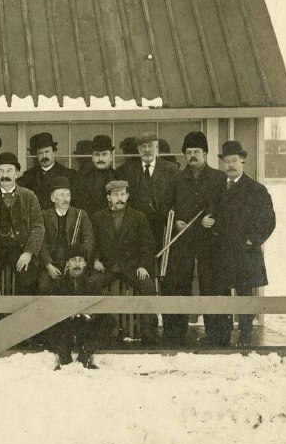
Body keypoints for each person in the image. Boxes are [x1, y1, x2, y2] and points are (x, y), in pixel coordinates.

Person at [209, 140, 276, 348]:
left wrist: (252, 240)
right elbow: (210, 213)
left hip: (244, 253)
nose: (230, 165)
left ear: (243, 162)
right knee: (223, 293)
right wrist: (207, 222)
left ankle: (246, 336)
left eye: (234, 161)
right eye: (227, 161)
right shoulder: (218, 189)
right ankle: (223, 335)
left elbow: (268, 221)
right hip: (222, 252)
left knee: (245, 294)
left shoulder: (256, 189)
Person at [163, 132, 226, 347]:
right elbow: (166, 207)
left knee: (211, 284)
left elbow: (225, 209)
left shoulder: (219, 178)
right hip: (184, 241)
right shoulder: (176, 178)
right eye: (188, 153)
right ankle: (177, 334)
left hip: (210, 242)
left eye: (197, 152)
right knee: (181, 283)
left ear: (206, 154)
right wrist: (176, 222)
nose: (192, 156)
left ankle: (215, 333)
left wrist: (213, 220)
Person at [90, 180, 159, 345]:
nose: (119, 198)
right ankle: (99, 330)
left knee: (148, 287)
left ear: (127, 196)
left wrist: (143, 265)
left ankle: (147, 331)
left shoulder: (138, 217)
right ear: (108, 197)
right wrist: (95, 259)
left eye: (122, 194)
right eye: (115, 195)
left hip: (132, 267)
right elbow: (92, 242)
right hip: (107, 267)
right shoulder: (98, 217)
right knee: (90, 283)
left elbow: (147, 244)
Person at [0, 152, 45, 302]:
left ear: (17, 173)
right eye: (1, 171)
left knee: (27, 281)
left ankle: (21, 323)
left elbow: (38, 227)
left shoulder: (29, 196)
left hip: (20, 248)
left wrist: (28, 253)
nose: (4, 175)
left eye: (9, 170)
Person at [45, 244, 117, 370]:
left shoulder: (92, 284)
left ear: (84, 263)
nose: (77, 264)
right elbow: (51, 309)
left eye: (80, 260)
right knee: (49, 322)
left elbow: (99, 310)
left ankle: (85, 354)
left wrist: (90, 315)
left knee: (109, 320)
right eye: (73, 260)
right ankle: (64, 355)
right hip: (65, 327)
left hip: (84, 327)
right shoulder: (58, 284)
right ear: (67, 263)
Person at [116, 130, 179, 254]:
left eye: (150, 146)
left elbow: (178, 197)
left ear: (156, 147)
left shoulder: (171, 169)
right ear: (138, 149)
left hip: (163, 225)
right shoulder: (126, 170)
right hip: (137, 225)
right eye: (143, 146)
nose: (146, 150)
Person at [37, 176, 94, 295]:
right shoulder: (44, 216)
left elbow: (89, 241)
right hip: (51, 264)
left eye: (68, 195)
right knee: (44, 287)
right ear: (53, 198)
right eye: (62, 195)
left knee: (79, 289)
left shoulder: (80, 215)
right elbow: (40, 242)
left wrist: (77, 262)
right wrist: (48, 265)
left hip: (75, 264)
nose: (66, 199)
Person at [16, 132, 77, 210]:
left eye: (47, 152)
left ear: (54, 153)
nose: (44, 156)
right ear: (37, 156)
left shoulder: (68, 174)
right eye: (40, 153)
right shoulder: (29, 174)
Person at [73, 135, 118, 216]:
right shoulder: (81, 177)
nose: (100, 159)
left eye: (104, 154)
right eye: (97, 154)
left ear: (111, 157)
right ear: (92, 157)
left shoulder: (119, 177)